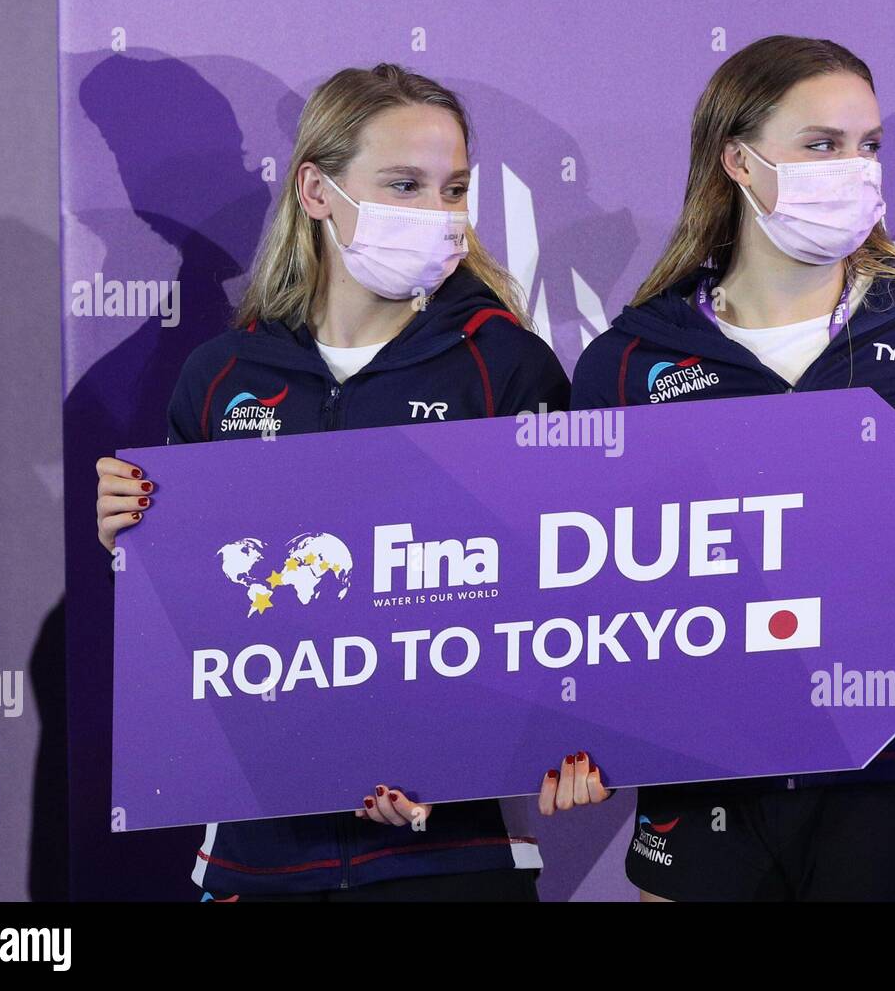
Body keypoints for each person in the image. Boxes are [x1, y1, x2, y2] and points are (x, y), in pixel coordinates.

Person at [571, 35, 895, 902]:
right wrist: (579, 735)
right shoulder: (628, 359)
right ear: (738, 160)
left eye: (869, 145)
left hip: (887, 768)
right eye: (822, 145)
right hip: (703, 783)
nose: (855, 169)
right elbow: (577, 593)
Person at [96, 63, 606, 902]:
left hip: (449, 847)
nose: (437, 216)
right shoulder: (221, 376)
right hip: (258, 848)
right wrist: (133, 542)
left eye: (453, 189)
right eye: (403, 184)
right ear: (317, 190)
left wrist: (477, 758)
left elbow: (561, 600)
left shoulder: (508, 367)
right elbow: (196, 622)